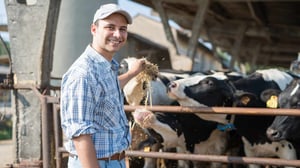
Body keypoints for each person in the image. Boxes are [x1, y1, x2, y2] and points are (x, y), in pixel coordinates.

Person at [60, 3, 145, 168]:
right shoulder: (83, 74)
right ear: (94, 29)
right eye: (110, 27)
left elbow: (106, 90)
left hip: (114, 161)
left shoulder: (106, 66)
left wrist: (132, 74)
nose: (117, 34)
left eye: (122, 29)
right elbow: (80, 135)